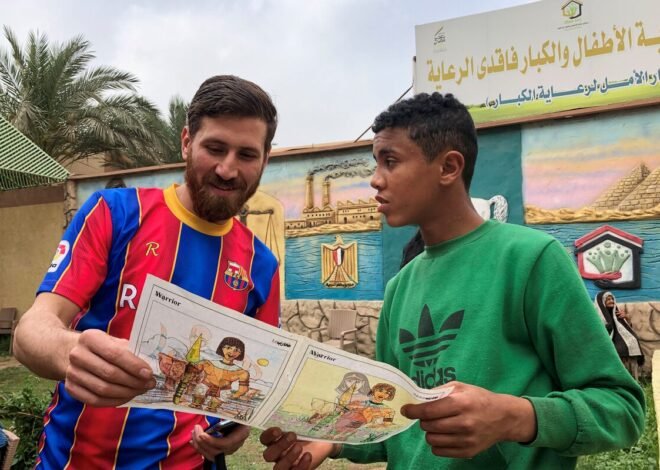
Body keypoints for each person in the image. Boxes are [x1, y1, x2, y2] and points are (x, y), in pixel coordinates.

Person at [260, 92, 645, 469]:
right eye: (376, 164)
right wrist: (332, 437)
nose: (375, 180)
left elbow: (622, 410)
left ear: (448, 167)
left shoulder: (531, 260)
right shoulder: (400, 287)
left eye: (390, 161)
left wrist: (514, 417)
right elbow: (403, 422)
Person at [13, 74, 281, 469]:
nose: (227, 169)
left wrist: (239, 424)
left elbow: (250, 383)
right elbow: (31, 332)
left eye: (246, 154)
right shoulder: (114, 213)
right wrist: (70, 351)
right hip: (74, 460)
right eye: (215, 148)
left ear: (265, 160)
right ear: (187, 142)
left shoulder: (263, 266)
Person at [594, 291, 644, 379]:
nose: (612, 301)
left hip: (621, 340)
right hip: (608, 342)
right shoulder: (596, 316)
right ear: (601, 302)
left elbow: (627, 328)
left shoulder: (617, 313)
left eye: (612, 298)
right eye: (608, 299)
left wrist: (626, 318)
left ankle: (635, 380)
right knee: (620, 349)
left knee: (632, 342)